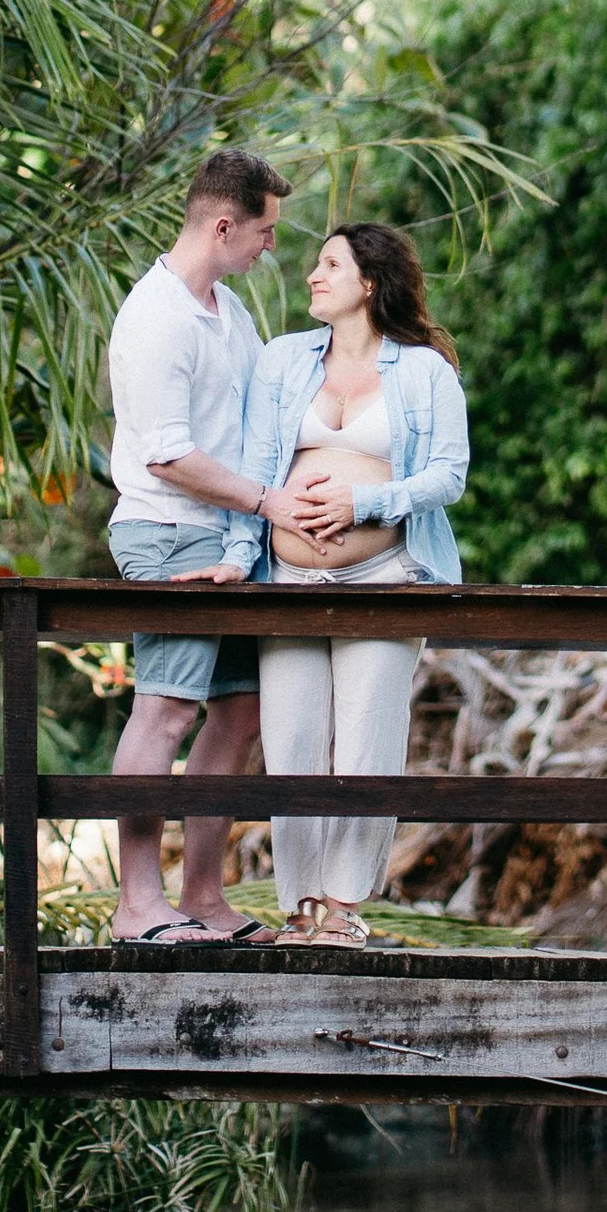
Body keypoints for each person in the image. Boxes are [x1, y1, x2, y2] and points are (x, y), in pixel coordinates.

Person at [217, 221, 468, 946]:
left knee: (366, 739)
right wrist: (242, 556)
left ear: (369, 283)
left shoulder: (424, 371)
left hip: (384, 575)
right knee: (293, 739)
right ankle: (299, 908)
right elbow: (258, 466)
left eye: (329, 265)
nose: (311, 276)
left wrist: (362, 503)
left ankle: (343, 908)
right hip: (287, 577)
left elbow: (447, 476)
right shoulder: (282, 360)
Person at [104, 146, 300, 943]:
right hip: (166, 530)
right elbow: (168, 455)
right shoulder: (155, 317)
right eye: (265, 230)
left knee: (240, 713)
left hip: (230, 539)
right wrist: (269, 501)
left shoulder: (230, 311)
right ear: (224, 223)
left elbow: (258, 417)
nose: (270, 247)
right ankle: (137, 904)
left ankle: (205, 897)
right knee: (167, 707)